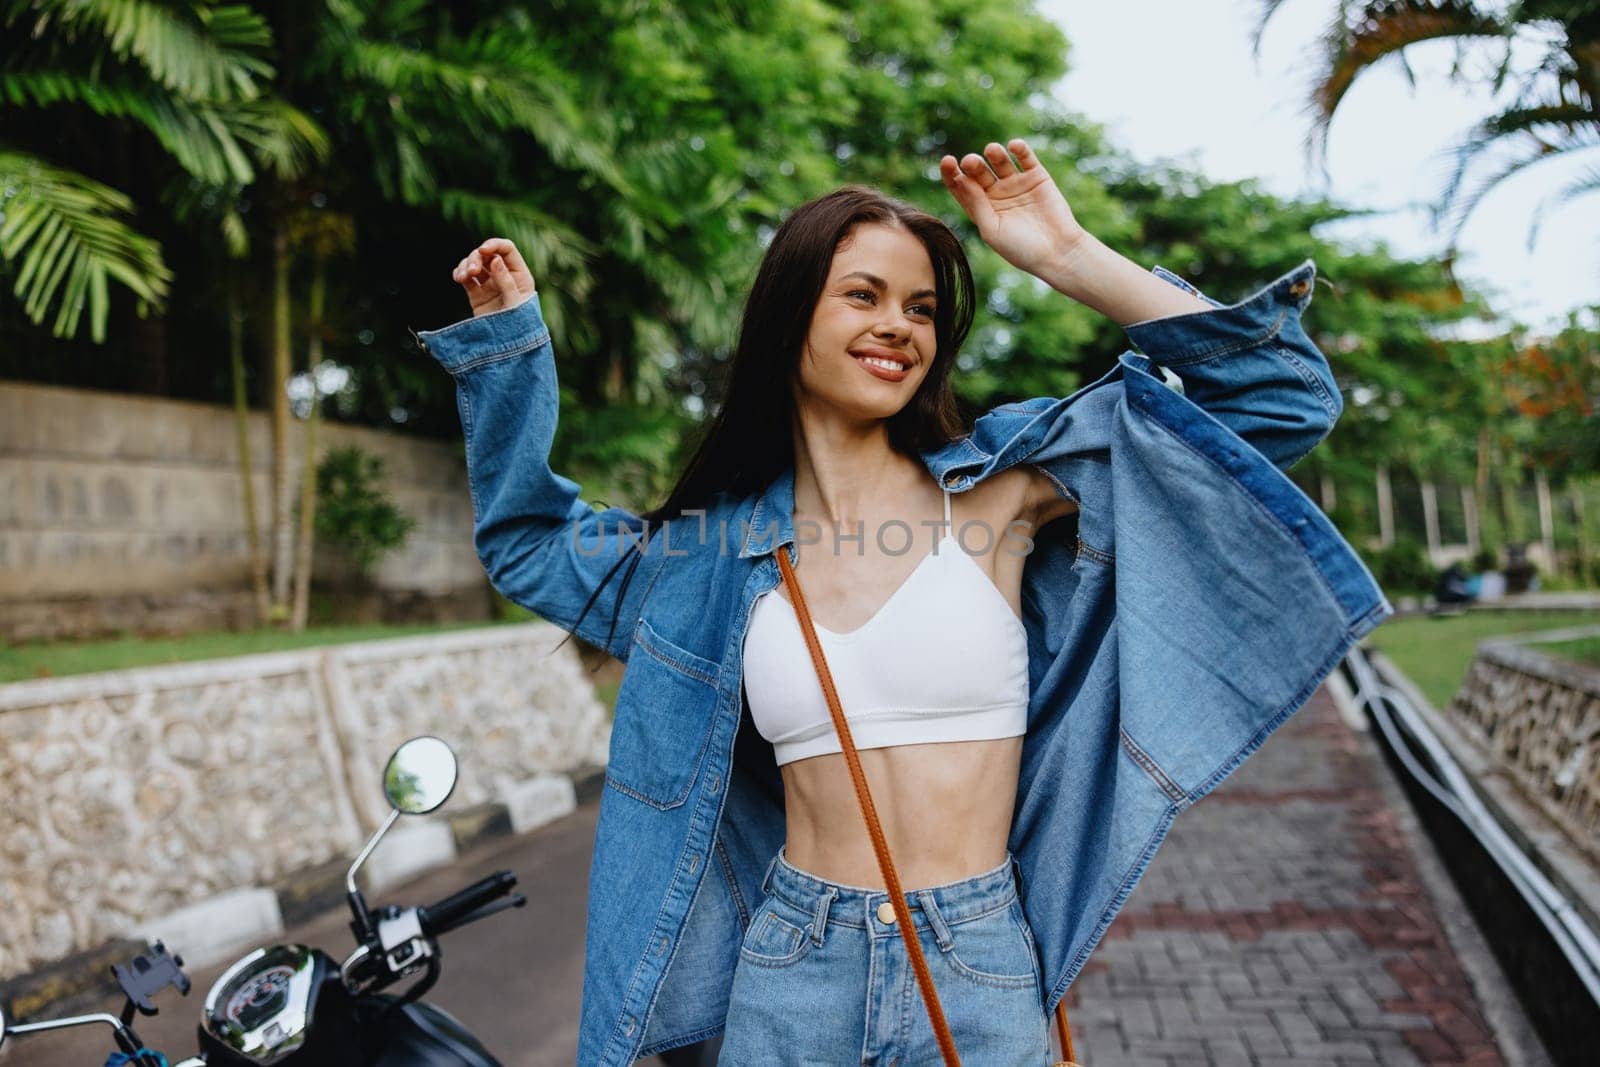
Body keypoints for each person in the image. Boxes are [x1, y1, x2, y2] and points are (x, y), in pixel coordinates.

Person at [416, 138, 1391, 1066]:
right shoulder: (710, 555)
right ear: (791, 316)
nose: (897, 324)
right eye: (863, 295)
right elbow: (532, 542)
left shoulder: (1005, 492)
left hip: (977, 956)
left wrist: (1064, 252)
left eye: (922, 307)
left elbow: (1279, 398)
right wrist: (509, 353)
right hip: (793, 966)